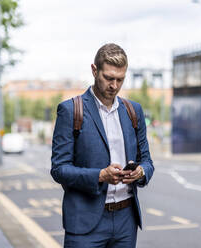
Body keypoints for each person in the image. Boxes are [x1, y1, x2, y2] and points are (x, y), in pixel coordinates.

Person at [51, 43, 154, 248]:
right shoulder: (71, 111)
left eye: (120, 79)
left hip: (126, 220)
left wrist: (141, 172)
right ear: (94, 70)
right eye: (108, 78)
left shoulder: (134, 111)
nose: (114, 85)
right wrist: (100, 176)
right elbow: (59, 170)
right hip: (84, 224)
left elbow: (148, 162)